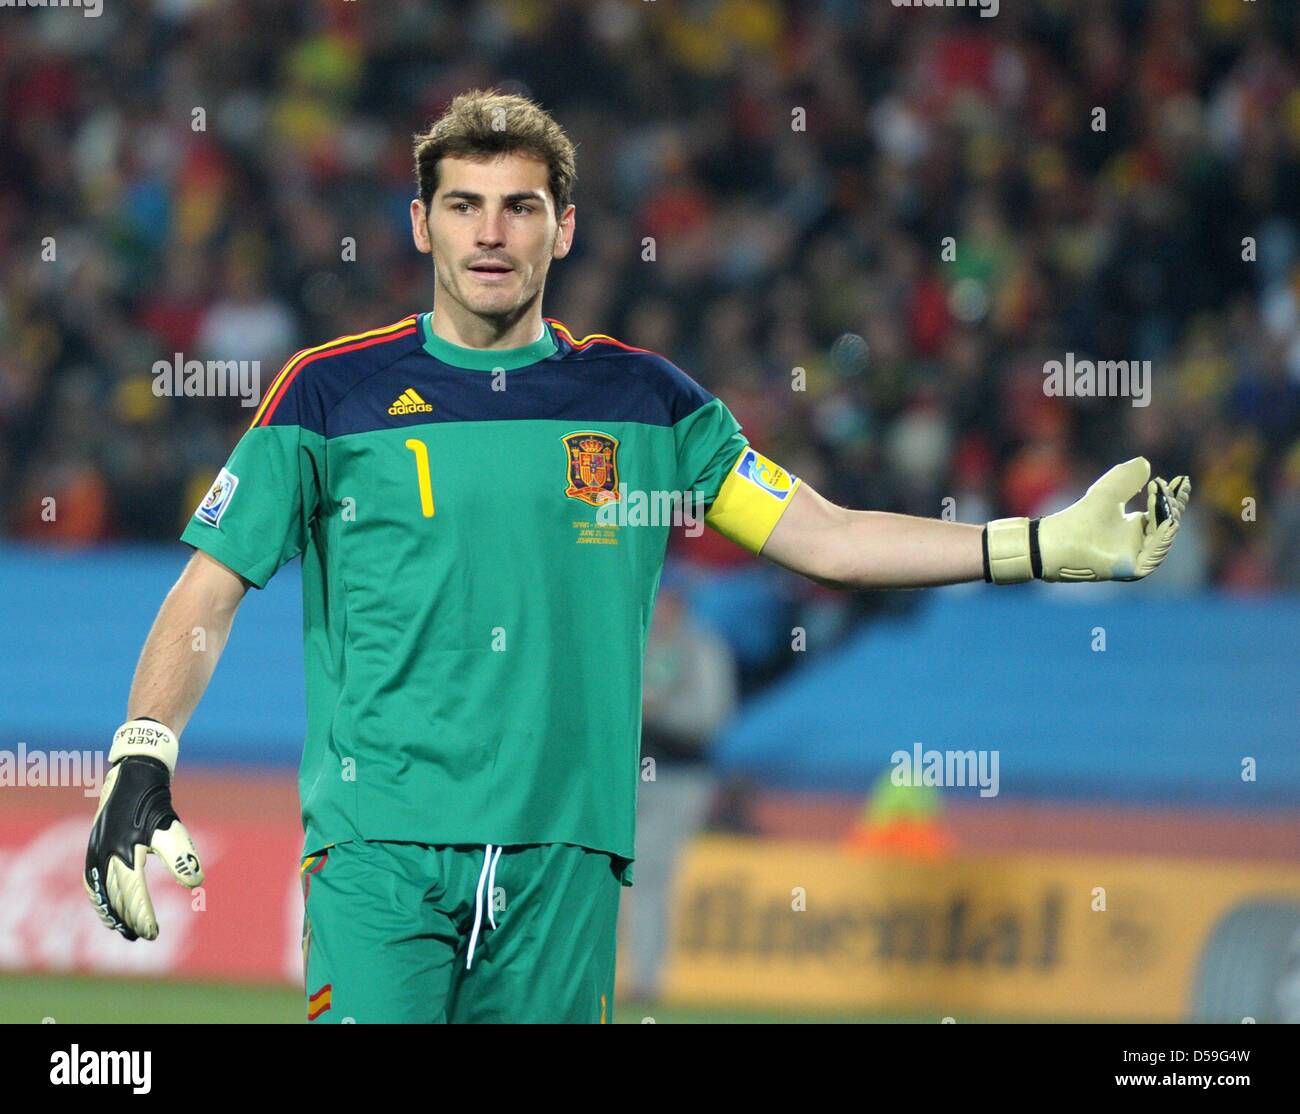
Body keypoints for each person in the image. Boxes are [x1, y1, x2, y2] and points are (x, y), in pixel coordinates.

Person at [83, 88, 1192, 1024]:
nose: (490, 235)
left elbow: (828, 537)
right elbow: (209, 586)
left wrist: (1039, 542)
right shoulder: (327, 395)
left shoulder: (647, 403)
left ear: (563, 229)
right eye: (462, 206)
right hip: (380, 851)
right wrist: (143, 752)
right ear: (419, 224)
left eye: (520, 208)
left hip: (567, 858)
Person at [621, 581, 736, 1003]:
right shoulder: (637, 642)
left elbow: (711, 719)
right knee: (616, 879)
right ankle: (611, 976)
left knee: (651, 878)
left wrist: (658, 712)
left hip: (678, 777)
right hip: (629, 776)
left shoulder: (702, 649)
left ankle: (645, 982)